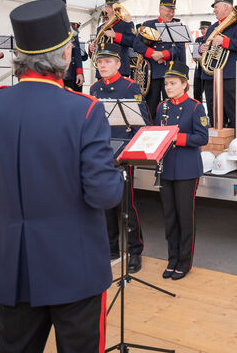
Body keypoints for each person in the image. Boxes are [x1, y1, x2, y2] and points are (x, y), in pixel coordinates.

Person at [0, 0, 123, 353]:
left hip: (13, 262)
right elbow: (104, 193)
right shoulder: (85, 109)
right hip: (74, 265)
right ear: (64, 54)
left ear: (18, 55)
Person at [90, 42, 149, 272]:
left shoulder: (130, 87)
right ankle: (112, 247)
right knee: (105, 204)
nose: (103, 66)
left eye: (107, 62)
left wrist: (130, 153)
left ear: (118, 64)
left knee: (127, 206)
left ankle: (135, 250)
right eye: (100, 62)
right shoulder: (95, 88)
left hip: (123, 154)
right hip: (102, 153)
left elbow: (140, 122)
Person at [155, 62, 209, 280]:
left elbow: (202, 137)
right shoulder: (161, 107)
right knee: (169, 218)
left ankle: (184, 263)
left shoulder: (196, 107)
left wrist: (178, 137)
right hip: (166, 168)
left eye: (173, 83)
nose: (168, 87)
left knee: (184, 217)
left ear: (184, 84)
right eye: (166, 84)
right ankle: (172, 259)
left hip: (187, 169)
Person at [199, 0, 237, 128]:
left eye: (216, 7)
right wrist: (202, 48)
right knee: (213, 111)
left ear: (226, 7)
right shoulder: (213, 27)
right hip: (210, 76)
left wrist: (224, 41)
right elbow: (205, 44)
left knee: (232, 111)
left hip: (228, 75)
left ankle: (235, 141)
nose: (214, 10)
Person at [133, 0, 186, 118]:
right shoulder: (148, 25)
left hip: (171, 71)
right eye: (168, 10)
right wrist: (152, 53)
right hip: (153, 72)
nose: (171, 13)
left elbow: (179, 49)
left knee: (172, 104)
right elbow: (136, 44)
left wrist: (163, 54)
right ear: (160, 10)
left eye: (173, 11)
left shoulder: (177, 27)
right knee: (151, 104)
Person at [89, 0, 136, 79]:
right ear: (106, 8)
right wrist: (92, 48)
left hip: (120, 69)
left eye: (116, 7)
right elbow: (96, 52)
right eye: (111, 7)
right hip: (102, 71)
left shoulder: (127, 24)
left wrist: (116, 36)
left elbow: (133, 41)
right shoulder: (100, 28)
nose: (114, 9)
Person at [50, 0, 85, 92]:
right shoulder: (46, 27)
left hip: (69, 73)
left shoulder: (72, 28)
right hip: (51, 73)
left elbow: (77, 52)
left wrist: (79, 73)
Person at [193, 20, 211, 102]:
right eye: (201, 29)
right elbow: (195, 53)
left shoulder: (212, 39)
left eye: (204, 29)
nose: (202, 31)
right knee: (197, 91)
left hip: (208, 67)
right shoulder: (198, 39)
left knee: (209, 92)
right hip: (199, 68)